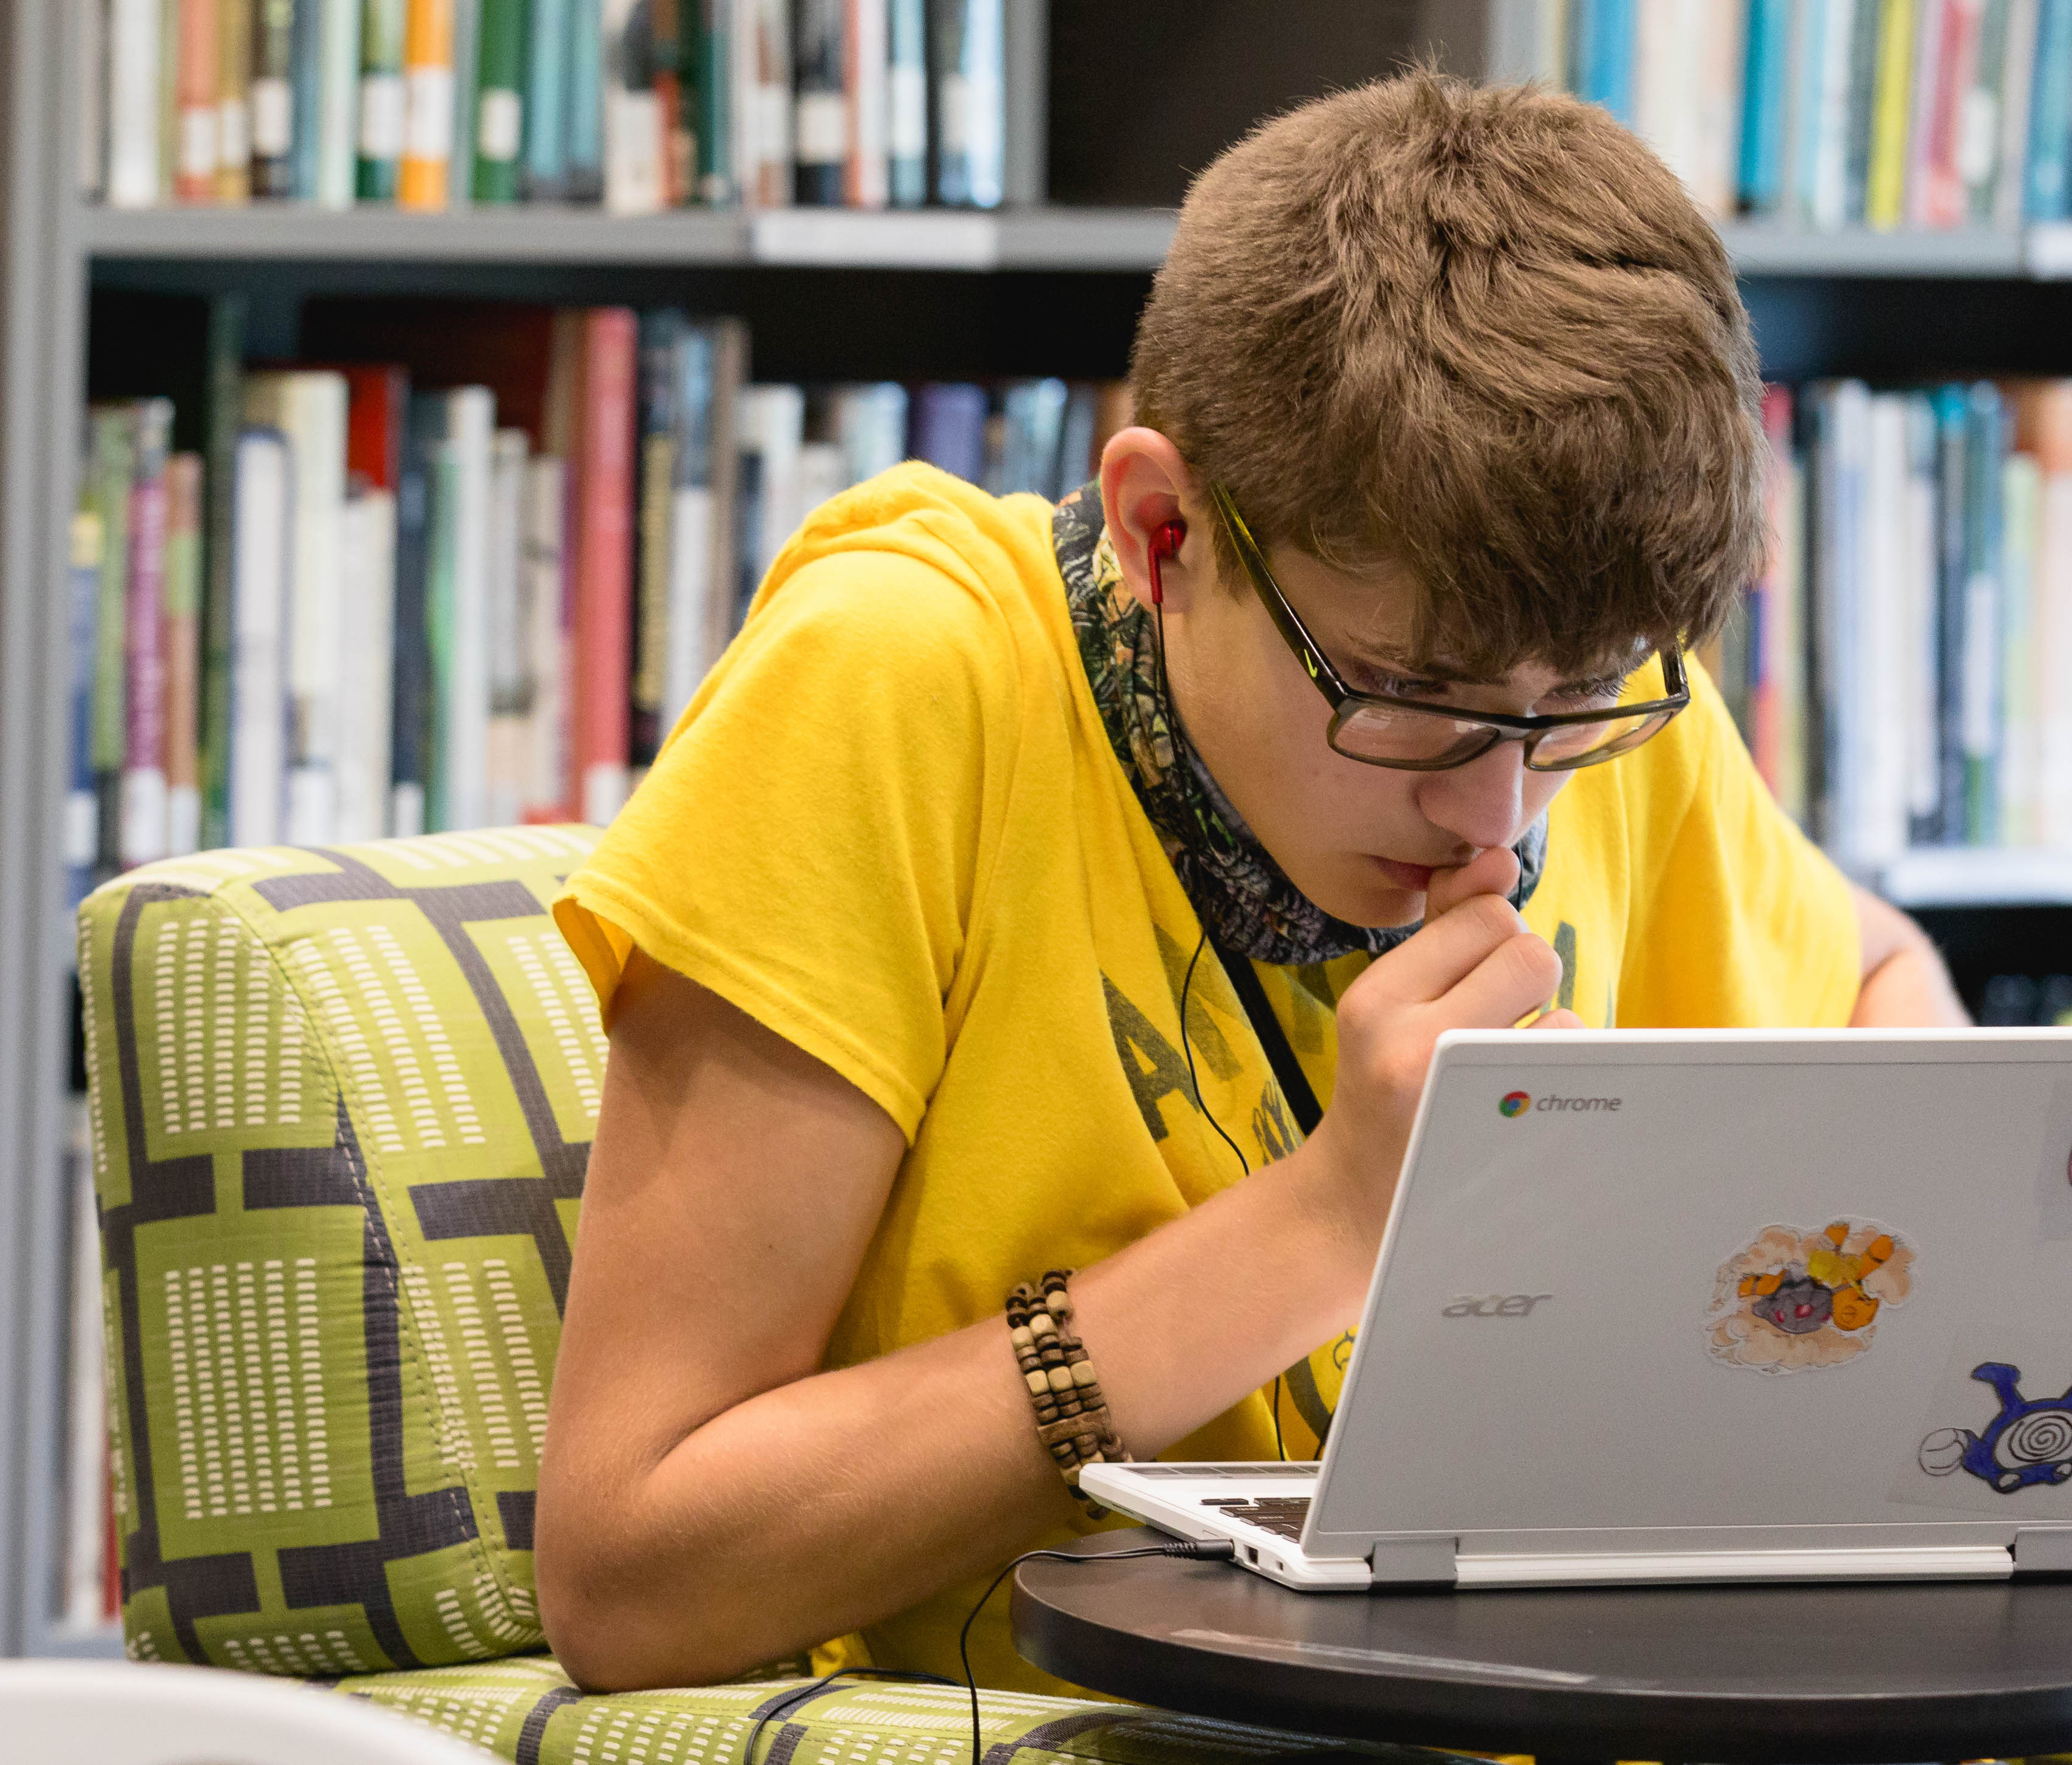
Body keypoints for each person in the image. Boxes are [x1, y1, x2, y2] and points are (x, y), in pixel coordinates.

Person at [531, 70, 1969, 1697]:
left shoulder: (1604, 719)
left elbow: (1870, 968)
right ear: (1163, 534)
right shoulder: (906, 680)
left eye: (1570, 709)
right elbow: (632, 1579)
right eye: (1403, 694)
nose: (1496, 810)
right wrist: (1334, 1219)